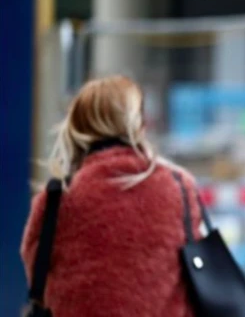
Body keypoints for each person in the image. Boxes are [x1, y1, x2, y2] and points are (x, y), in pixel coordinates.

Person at [21, 76, 203, 317]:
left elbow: (37, 275)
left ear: (77, 126)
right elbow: (197, 267)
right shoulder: (178, 187)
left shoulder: (57, 199)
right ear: (138, 125)